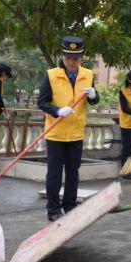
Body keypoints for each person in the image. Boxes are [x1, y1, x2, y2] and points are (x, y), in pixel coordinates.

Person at [38, 35, 100, 222]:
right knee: (55, 173)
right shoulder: (51, 75)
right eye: (68, 58)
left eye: (76, 58)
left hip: (76, 133)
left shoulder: (88, 75)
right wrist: (57, 110)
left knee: (73, 172)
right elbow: (41, 102)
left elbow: (95, 101)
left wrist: (93, 95)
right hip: (56, 134)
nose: (72, 62)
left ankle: (70, 205)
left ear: (81, 57)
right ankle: (54, 209)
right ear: (62, 56)